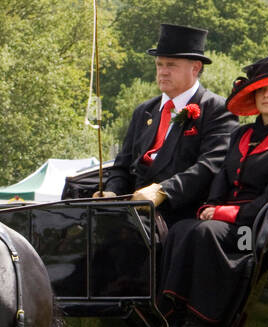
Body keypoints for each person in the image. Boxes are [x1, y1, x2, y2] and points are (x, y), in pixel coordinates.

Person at [156, 53, 268, 327]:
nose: (267, 96)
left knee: (205, 233)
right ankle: (172, 316)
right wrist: (212, 205)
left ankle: (199, 323)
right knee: (180, 229)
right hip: (224, 216)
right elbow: (222, 176)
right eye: (261, 91)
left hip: (260, 224)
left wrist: (229, 213)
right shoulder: (241, 134)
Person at [96, 23, 238, 224]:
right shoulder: (144, 111)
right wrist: (112, 192)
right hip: (132, 210)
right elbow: (122, 166)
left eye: (171, 65)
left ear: (195, 68)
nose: (163, 72)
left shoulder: (217, 109)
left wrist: (163, 191)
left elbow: (210, 166)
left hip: (179, 213)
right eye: (159, 65)